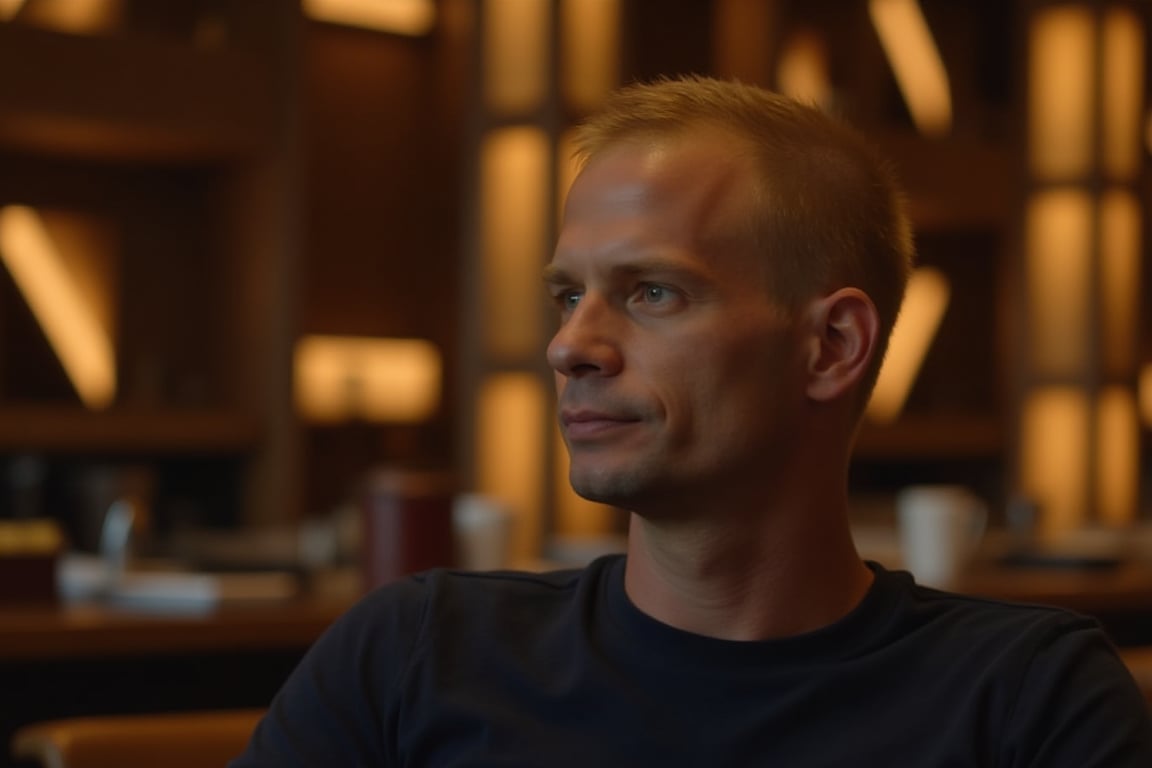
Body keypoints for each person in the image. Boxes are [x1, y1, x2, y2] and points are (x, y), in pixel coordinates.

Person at [231, 75, 1152, 766]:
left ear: (832, 345)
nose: (571, 348)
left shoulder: (1029, 703)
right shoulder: (414, 655)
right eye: (566, 297)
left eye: (653, 292)